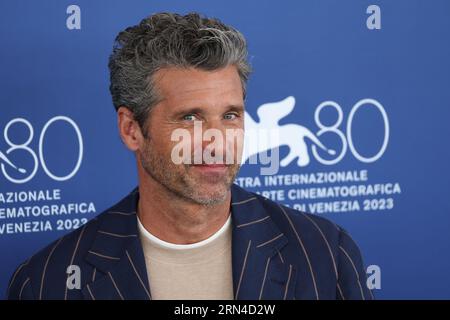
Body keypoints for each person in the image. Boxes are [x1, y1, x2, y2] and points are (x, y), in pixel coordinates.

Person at [7, 12, 373, 300]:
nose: (216, 142)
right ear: (131, 129)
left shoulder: (325, 254)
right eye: (191, 117)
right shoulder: (48, 282)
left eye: (230, 115)